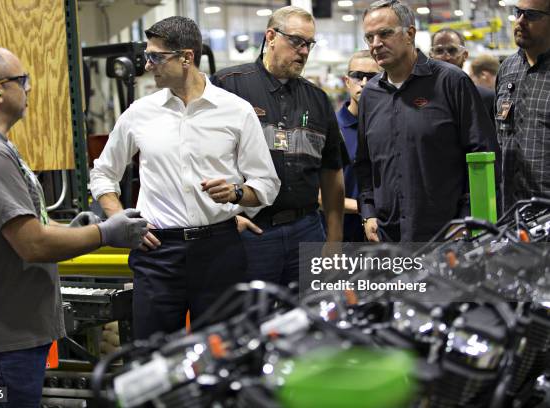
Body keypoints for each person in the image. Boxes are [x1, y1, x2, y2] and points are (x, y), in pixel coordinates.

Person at [0, 46, 148, 408]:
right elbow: (32, 244)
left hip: (5, 334)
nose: (30, 89)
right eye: (22, 81)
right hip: (6, 341)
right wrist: (105, 234)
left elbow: (24, 225)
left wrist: (72, 230)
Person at [89, 17, 280, 340]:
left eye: (155, 57)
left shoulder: (236, 111)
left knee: (221, 354)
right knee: (153, 357)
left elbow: (266, 184)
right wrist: (118, 217)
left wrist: (236, 192)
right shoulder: (140, 112)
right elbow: (104, 173)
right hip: (157, 252)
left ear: (186, 58)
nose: (148, 66)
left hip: (219, 250)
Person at [211, 6, 347, 285]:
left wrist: (334, 240)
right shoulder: (228, 87)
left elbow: (332, 173)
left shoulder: (318, 100)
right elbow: (201, 159)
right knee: (250, 321)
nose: (305, 51)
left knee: (309, 322)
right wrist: (225, 219)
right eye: (297, 41)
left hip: (307, 230)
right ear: (271, 36)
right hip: (251, 231)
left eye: (309, 44)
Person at [354, 0, 498, 242]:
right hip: (389, 236)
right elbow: (365, 163)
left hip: (447, 235)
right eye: (369, 37)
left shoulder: (451, 82)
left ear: (410, 34)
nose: (376, 44)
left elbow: (482, 155)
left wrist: (467, 218)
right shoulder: (370, 94)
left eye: (385, 34)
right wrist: (367, 213)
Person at [495, 0, 550, 211]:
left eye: (531, 15)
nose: (520, 21)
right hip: (512, 214)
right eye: (518, 12)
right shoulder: (508, 69)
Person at [335, 50, 380, 242]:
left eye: (371, 77)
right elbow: (318, 196)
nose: (363, 83)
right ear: (346, 81)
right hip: (344, 236)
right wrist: (368, 211)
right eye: (357, 76)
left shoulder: (390, 126)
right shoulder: (332, 129)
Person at [429, 28, 496, 122]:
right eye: (439, 51)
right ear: (431, 56)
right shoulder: (420, 99)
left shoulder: (487, 99)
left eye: (452, 50)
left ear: (465, 55)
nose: (446, 57)